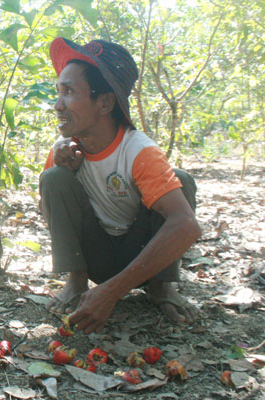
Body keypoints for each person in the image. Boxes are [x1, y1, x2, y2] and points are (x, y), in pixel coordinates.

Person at [40, 38, 202, 334]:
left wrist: (112, 292)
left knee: (181, 181)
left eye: (69, 92)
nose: (57, 104)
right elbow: (48, 212)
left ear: (104, 102)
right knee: (53, 178)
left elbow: (187, 226)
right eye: (58, 92)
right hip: (96, 257)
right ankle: (76, 282)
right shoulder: (65, 148)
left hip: (144, 260)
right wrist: (66, 172)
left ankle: (162, 288)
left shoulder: (138, 151)